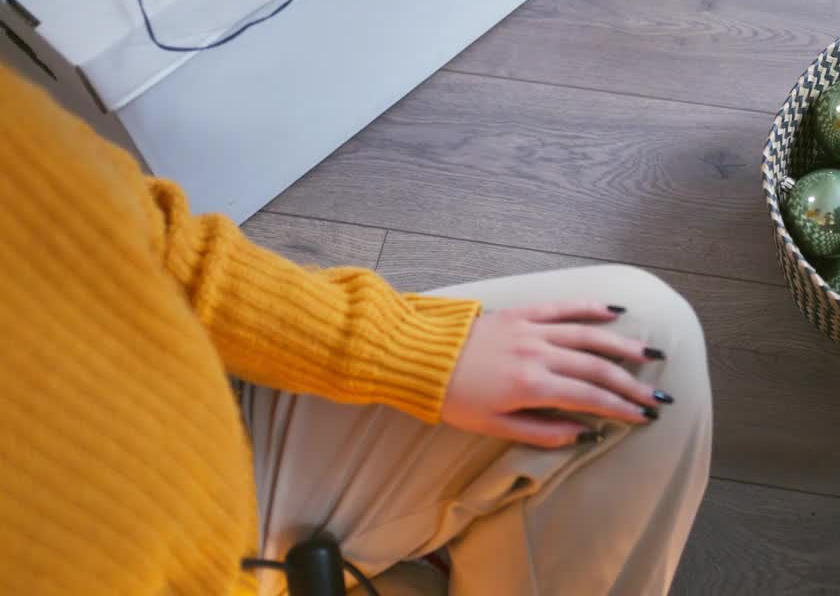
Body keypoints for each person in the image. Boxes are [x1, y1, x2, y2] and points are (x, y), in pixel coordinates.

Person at [0, 63, 713, 596]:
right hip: (185, 571)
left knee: (639, 345)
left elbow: (149, 236)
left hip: (215, 435)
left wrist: (398, 349)